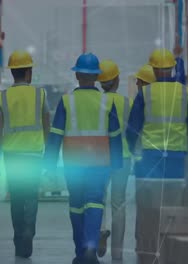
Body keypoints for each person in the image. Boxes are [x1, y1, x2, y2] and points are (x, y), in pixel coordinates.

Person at [126, 48, 188, 264]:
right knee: (173, 216)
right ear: (172, 69)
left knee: (148, 215)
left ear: (154, 70)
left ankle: (147, 255)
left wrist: (133, 151)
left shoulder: (144, 94)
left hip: (149, 165)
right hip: (176, 167)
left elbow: (131, 131)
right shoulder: (186, 94)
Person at [45, 53, 123, 264]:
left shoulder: (66, 102)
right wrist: (117, 164)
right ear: (96, 77)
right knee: (95, 203)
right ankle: (90, 246)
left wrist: (49, 165)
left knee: (76, 206)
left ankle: (81, 251)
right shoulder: (107, 102)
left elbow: (55, 135)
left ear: (77, 75)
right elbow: (115, 136)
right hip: (100, 164)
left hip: (73, 164)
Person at [0, 50, 50, 259]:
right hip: (34, 155)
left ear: (13, 72)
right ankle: (28, 233)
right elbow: (47, 127)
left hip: (12, 156)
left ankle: (19, 238)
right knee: (31, 196)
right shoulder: (40, 94)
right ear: (29, 72)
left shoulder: (2, 97)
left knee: (16, 198)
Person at [95, 60, 132, 261]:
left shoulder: (97, 102)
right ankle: (117, 252)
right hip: (123, 159)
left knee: (98, 199)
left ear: (101, 83)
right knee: (119, 203)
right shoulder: (127, 103)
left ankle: (100, 231)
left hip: (100, 158)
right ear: (117, 80)